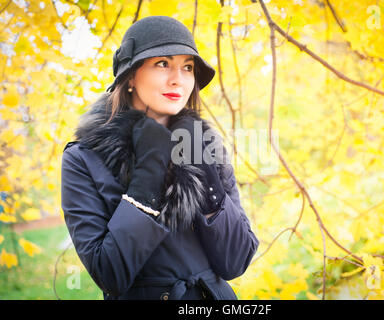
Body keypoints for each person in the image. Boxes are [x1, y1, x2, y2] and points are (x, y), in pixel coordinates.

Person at [60, 15, 259, 300]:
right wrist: (149, 172)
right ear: (130, 77)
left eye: (187, 67)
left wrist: (205, 171)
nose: (178, 79)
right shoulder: (83, 159)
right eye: (162, 63)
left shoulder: (206, 148)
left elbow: (235, 262)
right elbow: (109, 274)